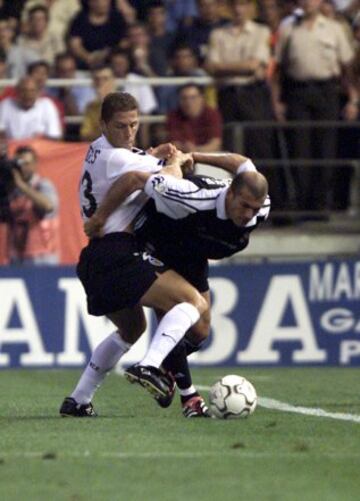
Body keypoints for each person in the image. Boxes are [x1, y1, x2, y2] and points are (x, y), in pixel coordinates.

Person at [82, 151, 270, 417]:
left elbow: (244, 164)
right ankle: (185, 395)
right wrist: (100, 218)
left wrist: (195, 155)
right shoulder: (188, 194)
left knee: (200, 331)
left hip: (193, 253)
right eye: (244, 206)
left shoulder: (260, 207)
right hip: (158, 245)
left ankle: (165, 368)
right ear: (230, 194)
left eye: (255, 207)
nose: (250, 214)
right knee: (179, 308)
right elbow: (134, 179)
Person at [59, 91, 207, 417]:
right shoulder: (119, 158)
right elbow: (152, 179)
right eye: (121, 126)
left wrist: (155, 153)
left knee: (132, 329)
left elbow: (133, 166)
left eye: (134, 125)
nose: (128, 134)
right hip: (118, 254)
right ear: (102, 125)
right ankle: (151, 366)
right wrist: (175, 160)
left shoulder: (99, 150)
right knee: (191, 303)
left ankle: (78, 400)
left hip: (95, 260)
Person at [270, 0, 357, 211]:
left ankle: (321, 204)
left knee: (326, 148)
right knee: (300, 149)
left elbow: (347, 69)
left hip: (327, 92)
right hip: (297, 92)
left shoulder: (334, 29)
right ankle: (302, 204)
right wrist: (276, 101)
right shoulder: (289, 28)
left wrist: (354, 99)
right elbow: (277, 69)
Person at [0, 145, 61, 265]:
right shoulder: (10, 189)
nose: (22, 167)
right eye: (18, 163)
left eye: (26, 163)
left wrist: (21, 185)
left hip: (43, 256)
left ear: (35, 164)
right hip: (17, 256)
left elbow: (48, 206)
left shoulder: (43, 185)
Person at [166, 83, 223, 152]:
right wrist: (184, 148)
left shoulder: (212, 114)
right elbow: (173, 143)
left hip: (207, 155)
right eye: (184, 98)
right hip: (182, 156)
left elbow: (215, 143)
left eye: (193, 98)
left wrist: (196, 150)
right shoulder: (173, 116)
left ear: (201, 98)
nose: (188, 102)